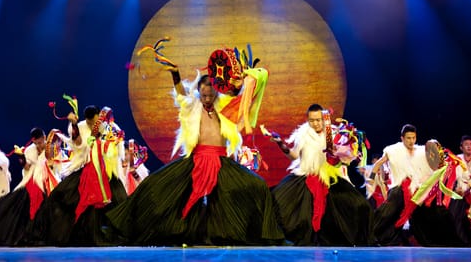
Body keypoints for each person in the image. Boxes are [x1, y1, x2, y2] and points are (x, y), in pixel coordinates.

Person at [103, 54, 284, 246]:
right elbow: (181, 95)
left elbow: (260, 76)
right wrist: (175, 74)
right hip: (196, 158)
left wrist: (242, 76)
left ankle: (257, 233)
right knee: (154, 186)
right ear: (198, 92)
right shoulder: (193, 105)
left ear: (217, 93)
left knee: (257, 186)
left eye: (211, 95)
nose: (207, 98)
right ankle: (128, 227)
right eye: (204, 95)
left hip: (221, 160)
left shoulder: (225, 105)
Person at [268, 104, 374, 246]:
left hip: (330, 178)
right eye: (312, 120)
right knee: (279, 200)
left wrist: (346, 153)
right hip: (306, 175)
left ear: (324, 119)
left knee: (359, 205)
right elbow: (295, 157)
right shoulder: (303, 134)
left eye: (318, 120)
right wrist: (281, 145)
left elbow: (344, 157)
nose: (315, 123)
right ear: (308, 120)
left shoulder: (334, 134)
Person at [29, 105, 127, 246]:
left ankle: (121, 235)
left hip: (108, 171)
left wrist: (107, 146)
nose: (91, 124)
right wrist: (74, 124)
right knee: (64, 196)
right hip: (87, 169)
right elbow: (78, 144)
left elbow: (117, 148)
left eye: (93, 121)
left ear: (99, 116)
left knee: (121, 201)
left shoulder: (110, 127)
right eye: (89, 122)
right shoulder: (80, 126)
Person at [0, 127, 66, 246]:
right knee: (20, 201)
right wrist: (22, 158)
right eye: (35, 143)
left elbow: (60, 168)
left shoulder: (54, 149)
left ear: (44, 138)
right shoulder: (30, 150)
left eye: (39, 142)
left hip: (48, 180)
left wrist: (51, 164)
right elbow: (27, 168)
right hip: (32, 178)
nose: (38, 145)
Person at [370, 124, 436, 246]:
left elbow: (434, 165)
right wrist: (371, 178)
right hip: (399, 188)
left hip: (417, 190)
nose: (411, 141)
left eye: (413, 138)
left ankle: (430, 242)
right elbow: (378, 164)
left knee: (423, 217)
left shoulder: (421, 151)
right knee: (387, 214)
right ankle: (370, 235)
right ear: (402, 138)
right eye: (408, 138)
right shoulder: (394, 151)